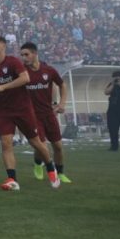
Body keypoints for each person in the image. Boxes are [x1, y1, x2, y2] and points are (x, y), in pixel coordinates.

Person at [0, 35, 59, 191]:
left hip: (23, 109)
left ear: (3, 46)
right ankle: (12, 179)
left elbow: (25, 78)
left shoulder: (13, 62)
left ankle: (51, 167)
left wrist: (3, 87)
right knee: (6, 143)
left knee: (36, 142)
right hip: (4, 110)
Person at [20, 43, 71, 183]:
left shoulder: (49, 70)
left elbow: (62, 85)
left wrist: (61, 104)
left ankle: (61, 173)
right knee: (41, 145)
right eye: (22, 55)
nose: (24, 58)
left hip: (49, 114)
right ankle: (38, 164)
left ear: (35, 54)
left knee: (58, 147)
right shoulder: (22, 72)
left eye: (26, 54)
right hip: (32, 116)